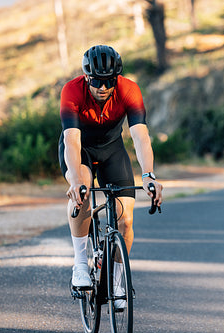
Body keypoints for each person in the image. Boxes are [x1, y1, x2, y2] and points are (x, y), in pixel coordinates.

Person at [58, 45, 163, 295]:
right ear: (86, 77)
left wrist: (149, 175)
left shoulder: (129, 89)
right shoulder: (72, 90)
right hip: (80, 149)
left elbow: (140, 136)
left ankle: (117, 280)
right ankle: (81, 265)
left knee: (125, 219)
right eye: (97, 81)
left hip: (112, 150)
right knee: (82, 190)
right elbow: (71, 139)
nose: (103, 88)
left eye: (109, 81)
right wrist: (74, 180)